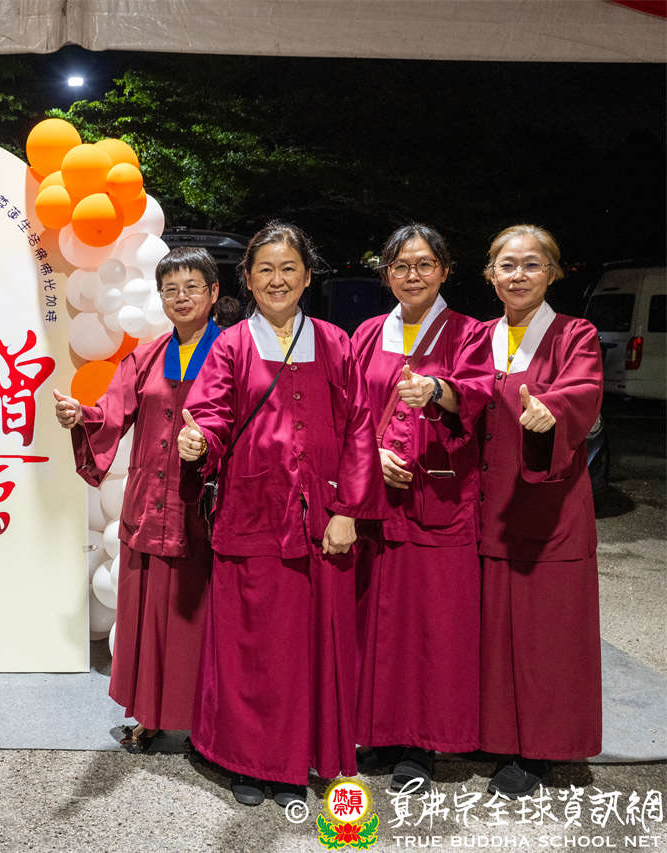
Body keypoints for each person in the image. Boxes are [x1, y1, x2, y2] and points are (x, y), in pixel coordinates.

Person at [178, 221, 384, 807]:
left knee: (314, 644)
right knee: (253, 644)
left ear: (307, 276)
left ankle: (309, 756)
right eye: (265, 269)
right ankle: (249, 760)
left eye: (288, 268)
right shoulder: (231, 345)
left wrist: (348, 510)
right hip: (252, 513)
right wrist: (200, 441)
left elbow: (360, 428)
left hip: (322, 519)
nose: (277, 279)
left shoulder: (336, 342)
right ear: (247, 279)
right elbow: (213, 414)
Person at [53, 247, 221, 751]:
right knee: (148, 615)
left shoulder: (233, 354)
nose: (181, 298)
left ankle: (209, 723)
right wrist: (80, 415)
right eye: (170, 290)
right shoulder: (145, 357)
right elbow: (112, 412)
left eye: (192, 287)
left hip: (204, 508)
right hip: (149, 504)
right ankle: (150, 714)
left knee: (201, 614)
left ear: (214, 292)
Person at [350, 224, 495, 792]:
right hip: (377, 495)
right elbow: (350, 408)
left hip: (440, 495)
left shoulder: (468, 332)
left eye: (424, 264)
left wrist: (438, 390)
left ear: (444, 270)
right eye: (401, 266)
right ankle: (379, 732)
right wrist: (372, 455)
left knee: (433, 621)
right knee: (377, 616)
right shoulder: (367, 333)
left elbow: (478, 394)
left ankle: (422, 742)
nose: (413, 275)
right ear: (386, 273)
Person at [477, 225, 603, 797]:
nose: (518, 275)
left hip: (548, 506)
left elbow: (584, 390)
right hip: (489, 504)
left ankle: (539, 750)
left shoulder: (575, 333)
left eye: (532, 264)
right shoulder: (479, 335)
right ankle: (496, 736)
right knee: (494, 628)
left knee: (545, 634)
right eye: (507, 265)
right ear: (490, 275)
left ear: (552, 273)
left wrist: (552, 409)